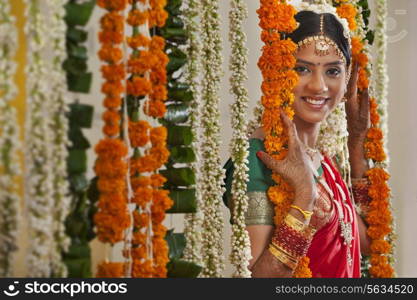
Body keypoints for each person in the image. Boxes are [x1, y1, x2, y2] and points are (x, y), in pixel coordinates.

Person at [223, 7, 372, 278]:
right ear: (279, 71)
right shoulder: (258, 160)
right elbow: (258, 281)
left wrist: (357, 142)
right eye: (302, 69)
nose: (318, 86)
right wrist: (305, 196)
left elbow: (366, 242)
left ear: (348, 77)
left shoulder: (326, 158)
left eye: (333, 71)